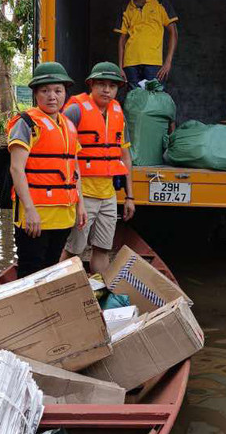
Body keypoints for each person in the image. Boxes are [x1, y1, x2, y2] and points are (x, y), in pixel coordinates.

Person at [7, 62, 86, 278]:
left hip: (63, 215)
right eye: (45, 91)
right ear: (36, 94)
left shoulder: (68, 125)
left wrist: (80, 204)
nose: (52, 96)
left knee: (51, 268)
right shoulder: (26, 123)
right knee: (30, 271)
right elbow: (16, 169)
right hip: (36, 215)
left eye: (58, 91)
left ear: (65, 93)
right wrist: (29, 209)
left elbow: (74, 168)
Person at [61, 62, 135, 275]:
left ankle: (102, 288)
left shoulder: (118, 113)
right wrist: (76, 199)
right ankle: (60, 288)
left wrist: (130, 197)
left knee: (103, 249)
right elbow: (64, 153)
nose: (106, 90)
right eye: (101, 84)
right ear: (91, 85)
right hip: (83, 194)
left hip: (108, 195)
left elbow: (125, 157)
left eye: (112, 86)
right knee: (74, 249)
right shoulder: (75, 110)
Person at [116, 0, 178, 89]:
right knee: (134, 98)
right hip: (130, 64)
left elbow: (174, 33)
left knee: (154, 98)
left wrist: (168, 62)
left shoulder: (161, 3)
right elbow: (122, 39)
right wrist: (120, 67)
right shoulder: (126, 7)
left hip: (154, 63)